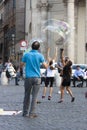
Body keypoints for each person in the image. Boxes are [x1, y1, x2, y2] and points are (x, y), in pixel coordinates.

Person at [21, 41, 48, 118]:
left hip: (28, 77)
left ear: (31, 47)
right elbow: (46, 66)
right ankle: (32, 113)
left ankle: (25, 113)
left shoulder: (26, 55)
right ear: (38, 48)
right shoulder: (40, 56)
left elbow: (21, 65)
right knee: (34, 96)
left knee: (26, 95)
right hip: (37, 77)